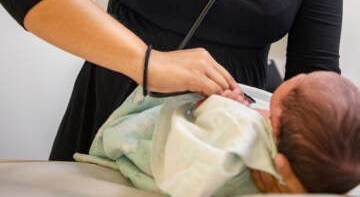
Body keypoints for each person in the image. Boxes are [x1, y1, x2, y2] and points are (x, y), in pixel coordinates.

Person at [0, 0, 342, 189]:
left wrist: (298, 165)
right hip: (116, 112)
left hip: (230, 154)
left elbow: (316, 85)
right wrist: (146, 63)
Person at [74, 71, 360, 196]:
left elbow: (208, 129)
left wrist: (214, 105)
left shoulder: (239, 130)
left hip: (159, 152)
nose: (300, 75)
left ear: (278, 122)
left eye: (303, 81)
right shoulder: (300, 150)